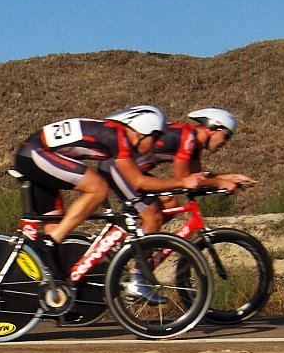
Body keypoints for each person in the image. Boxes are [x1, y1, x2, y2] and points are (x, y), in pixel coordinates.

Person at [13, 106, 205, 288]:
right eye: (154, 139)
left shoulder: (116, 133)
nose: (156, 145)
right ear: (141, 133)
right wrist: (182, 183)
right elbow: (138, 182)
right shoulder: (119, 138)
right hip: (35, 153)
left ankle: (57, 296)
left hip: (38, 154)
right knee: (98, 187)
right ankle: (48, 242)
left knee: (55, 234)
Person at [99, 107, 257, 232]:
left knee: (170, 205)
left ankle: (132, 244)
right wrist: (220, 183)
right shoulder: (188, 139)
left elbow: (196, 178)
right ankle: (136, 267)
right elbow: (184, 179)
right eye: (226, 136)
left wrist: (230, 178)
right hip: (116, 166)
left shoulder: (194, 144)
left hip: (129, 169)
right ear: (213, 128)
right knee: (153, 216)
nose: (226, 143)